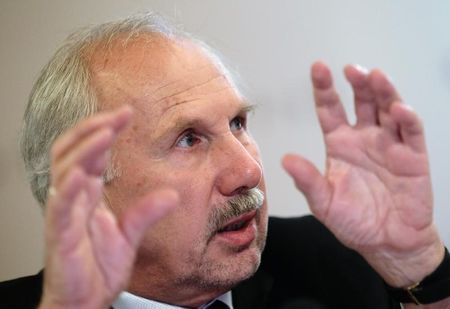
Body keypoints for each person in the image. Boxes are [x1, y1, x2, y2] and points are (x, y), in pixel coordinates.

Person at [1, 12, 449, 309]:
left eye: (237, 123)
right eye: (188, 139)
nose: (249, 172)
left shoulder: (334, 261)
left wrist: (417, 264)